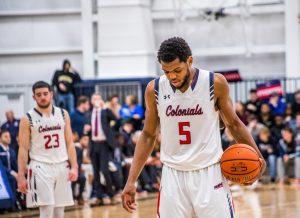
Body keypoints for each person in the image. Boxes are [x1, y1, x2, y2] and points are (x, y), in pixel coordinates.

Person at [122, 37, 266, 217]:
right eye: (166, 71)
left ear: (190, 60)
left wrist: (257, 157)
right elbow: (148, 135)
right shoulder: (155, 89)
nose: (172, 76)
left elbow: (234, 124)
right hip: (172, 176)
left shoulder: (215, 83)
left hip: (210, 172)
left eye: (177, 70)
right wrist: (131, 180)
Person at [17, 81, 78, 218]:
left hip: (62, 165)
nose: (43, 97)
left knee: (59, 212)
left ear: (51, 94)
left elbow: (70, 143)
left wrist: (74, 166)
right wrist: (21, 176)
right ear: (34, 97)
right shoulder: (27, 118)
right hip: (40, 167)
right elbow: (23, 148)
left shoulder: (63, 114)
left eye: (45, 94)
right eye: (38, 95)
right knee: (47, 210)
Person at [89, 93, 118, 206]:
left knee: (105, 170)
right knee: (95, 172)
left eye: (98, 98)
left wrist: (105, 108)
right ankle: (98, 197)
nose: (96, 101)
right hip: (93, 144)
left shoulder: (105, 112)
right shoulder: (89, 114)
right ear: (91, 101)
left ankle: (111, 195)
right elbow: (87, 129)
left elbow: (116, 120)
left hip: (104, 144)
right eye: (94, 99)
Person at [0, 130, 18, 209]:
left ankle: (23, 202)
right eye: (5, 136)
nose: (8, 138)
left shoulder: (11, 150)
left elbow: (15, 165)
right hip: (3, 174)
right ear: (0, 138)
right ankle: (12, 205)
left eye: (9, 136)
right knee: (12, 179)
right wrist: (11, 172)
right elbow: (1, 166)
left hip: (13, 173)